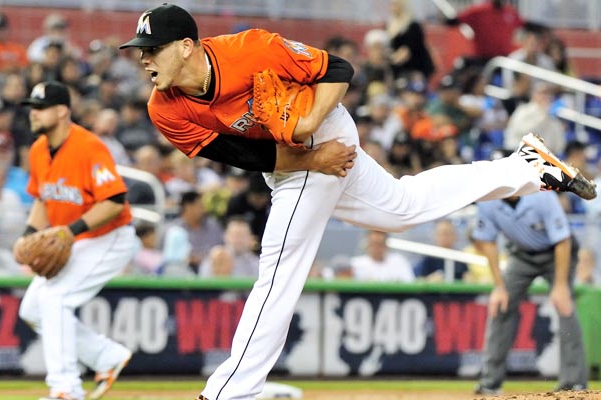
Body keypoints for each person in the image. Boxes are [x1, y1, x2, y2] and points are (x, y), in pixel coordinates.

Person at [118, 5, 596, 400]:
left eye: (152, 49)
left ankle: (230, 391)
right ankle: (527, 167)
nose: (144, 60)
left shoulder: (251, 48)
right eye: (140, 52)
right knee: (402, 209)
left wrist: (310, 127)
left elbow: (339, 69)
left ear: (186, 47)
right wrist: (306, 157)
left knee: (281, 263)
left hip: (323, 128)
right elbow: (241, 154)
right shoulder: (164, 109)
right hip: (289, 160)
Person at [15, 81, 137, 400]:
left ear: (62, 111)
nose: (34, 114)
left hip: (111, 236)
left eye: (40, 108)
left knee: (55, 299)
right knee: (32, 308)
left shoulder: (88, 146)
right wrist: (28, 236)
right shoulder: (39, 149)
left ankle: (66, 389)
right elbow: (42, 200)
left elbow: (114, 201)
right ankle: (105, 356)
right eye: (32, 107)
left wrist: (68, 232)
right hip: (77, 239)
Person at [472, 191, 587, 394]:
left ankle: (574, 383)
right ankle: (490, 382)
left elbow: (563, 240)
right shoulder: (488, 200)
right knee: (501, 306)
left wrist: (560, 286)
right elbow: (487, 242)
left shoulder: (541, 195)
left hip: (556, 252)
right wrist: (499, 286)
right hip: (521, 255)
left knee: (565, 307)